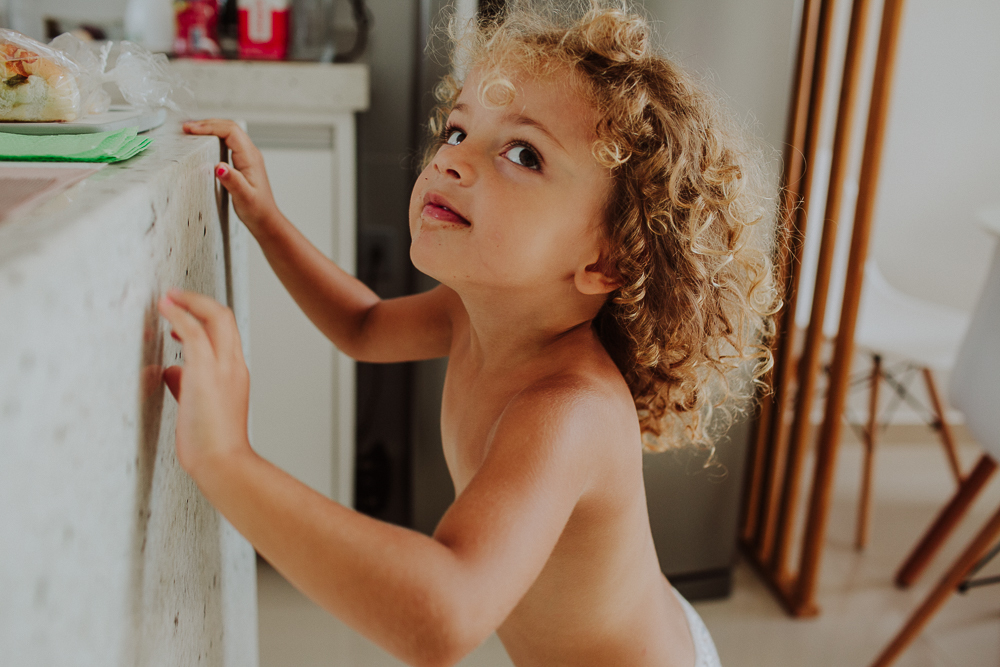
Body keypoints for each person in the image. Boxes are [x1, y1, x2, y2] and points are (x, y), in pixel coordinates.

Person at [164, 2, 778, 665]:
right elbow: (363, 325)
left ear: (607, 260)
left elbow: (446, 616)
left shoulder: (569, 411)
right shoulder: (468, 313)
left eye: (523, 152)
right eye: (457, 130)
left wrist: (227, 459)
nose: (451, 161)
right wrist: (267, 218)